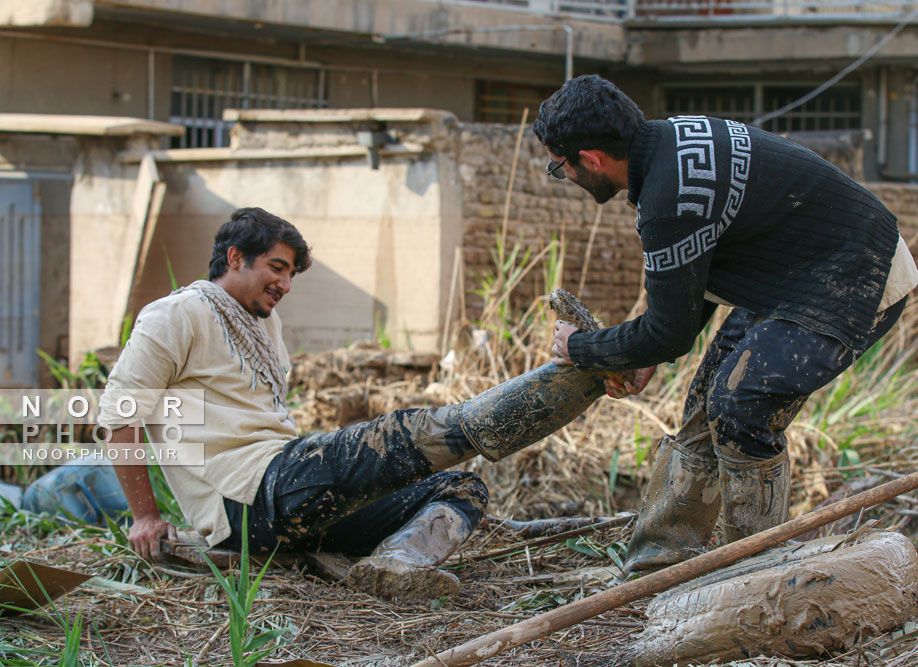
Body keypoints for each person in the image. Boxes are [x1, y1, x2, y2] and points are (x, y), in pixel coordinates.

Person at [98, 207, 606, 601]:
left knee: (463, 486)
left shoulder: (265, 323)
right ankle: (568, 379)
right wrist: (144, 517)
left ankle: (395, 565)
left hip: (293, 496)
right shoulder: (176, 313)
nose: (285, 284)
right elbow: (120, 415)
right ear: (235, 257)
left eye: (292, 273)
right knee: (393, 438)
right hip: (250, 498)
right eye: (277, 268)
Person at [533, 75, 918, 573]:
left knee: (739, 407)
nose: (564, 176)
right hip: (794, 273)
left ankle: (755, 574)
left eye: (559, 167)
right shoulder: (672, 142)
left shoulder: (670, 196)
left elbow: (668, 333)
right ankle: (657, 566)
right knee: (706, 403)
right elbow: (687, 293)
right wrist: (643, 350)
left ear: (591, 158)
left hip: (856, 276)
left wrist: (582, 349)